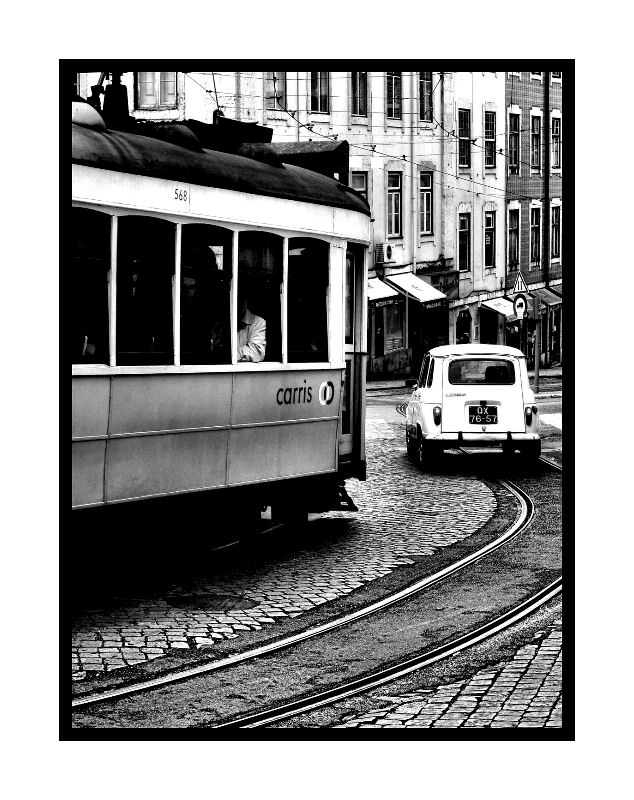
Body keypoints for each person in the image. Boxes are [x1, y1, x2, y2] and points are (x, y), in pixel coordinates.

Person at [237, 291, 266, 362]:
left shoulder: (258, 322)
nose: (239, 305)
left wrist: (233, 355)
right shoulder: (222, 323)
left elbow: (256, 352)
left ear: (246, 303)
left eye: (241, 301)